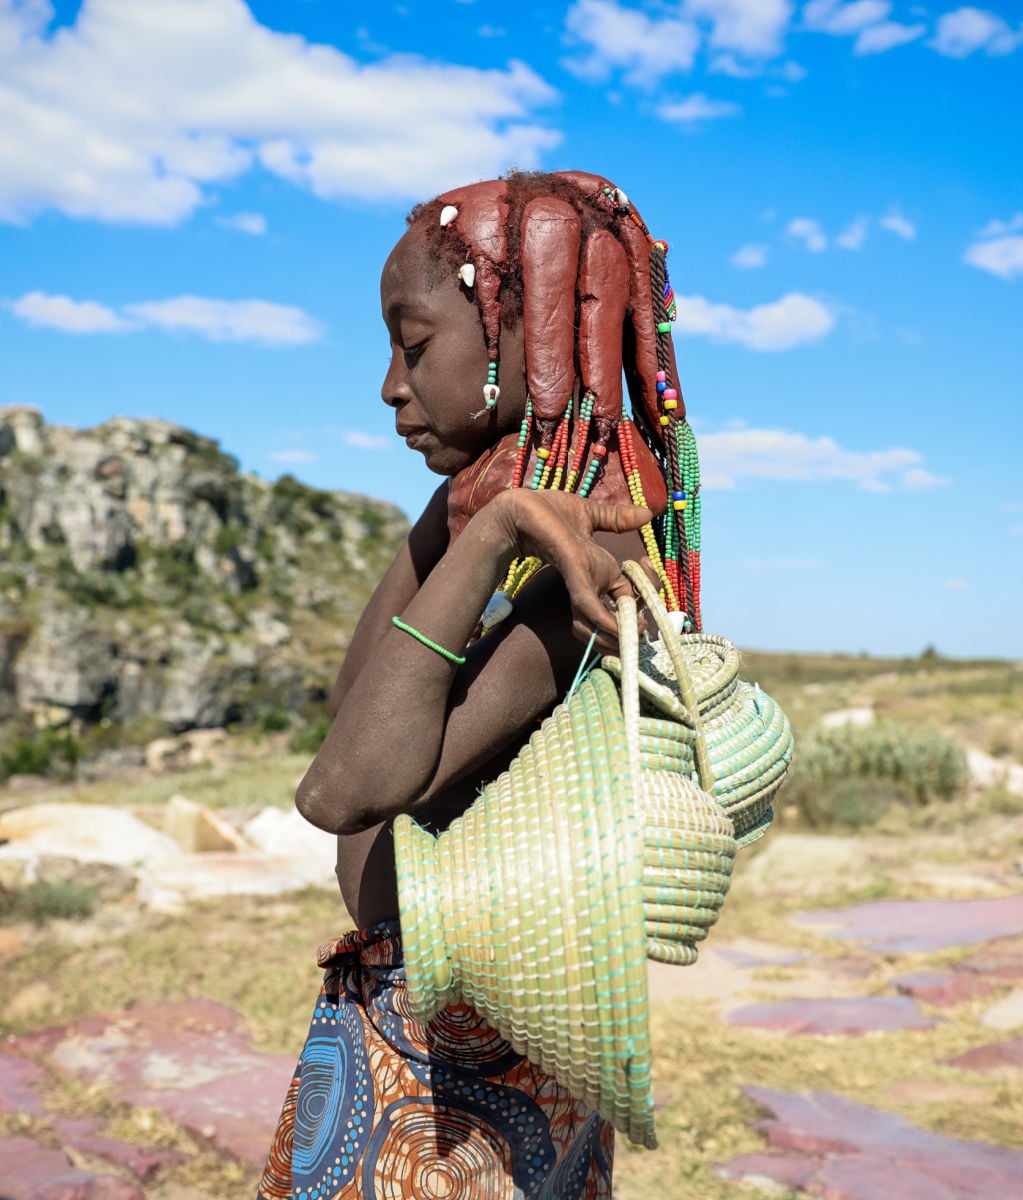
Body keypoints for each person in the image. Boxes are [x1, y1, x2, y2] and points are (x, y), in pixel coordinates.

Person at [257, 170, 702, 1200]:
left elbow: (343, 787)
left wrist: (500, 525)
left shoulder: (589, 565)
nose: (390, 385)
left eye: (414, 346)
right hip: (426, 1049)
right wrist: (475, 503)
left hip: (457, 1097)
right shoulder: (500, 510)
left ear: (521, 335)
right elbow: (356, 705)